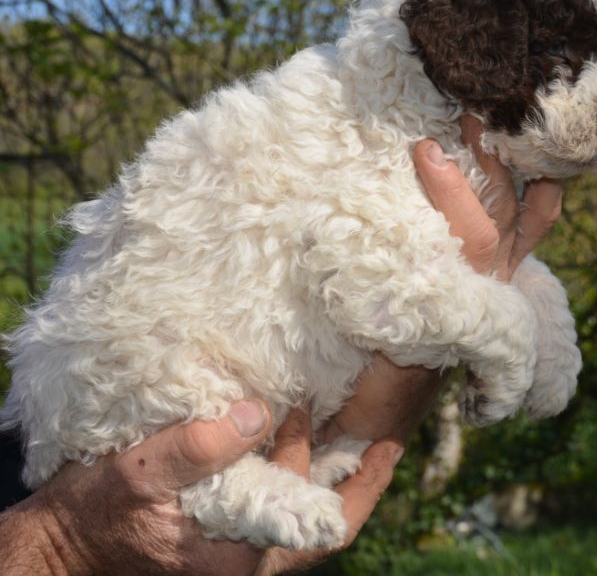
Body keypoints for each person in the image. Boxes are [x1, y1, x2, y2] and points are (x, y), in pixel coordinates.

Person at [0, 117, 563, 576]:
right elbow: (378, 284)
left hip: (267, 453)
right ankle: (224, 488)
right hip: (137, 434)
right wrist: (63, 542)